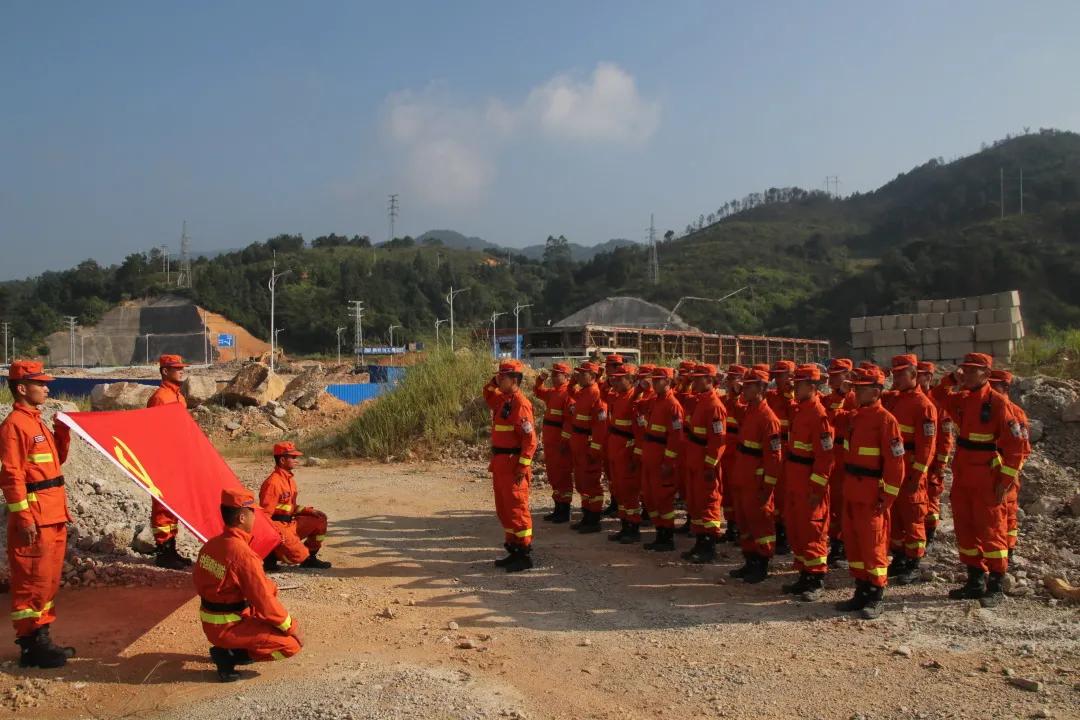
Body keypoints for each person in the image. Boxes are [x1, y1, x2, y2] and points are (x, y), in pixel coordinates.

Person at [1, 361, 76, 668]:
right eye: (40, 384)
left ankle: (42, 636)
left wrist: (62, 432)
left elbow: (56, 462)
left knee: (46, 581)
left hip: (53, 513)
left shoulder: (36, 421)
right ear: (22, 388)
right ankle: (31, 646)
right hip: (35, 517)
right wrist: (23, 517)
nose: (47, 388)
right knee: (31, 582)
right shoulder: (15, 426)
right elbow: (11, 475)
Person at [942, 354, 1027, 606]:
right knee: (965, 528)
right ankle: (975, 581)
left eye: (972, 371)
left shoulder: (1000, 404)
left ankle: (996, 585)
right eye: (964, 369)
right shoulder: (964, 399)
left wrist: (1005, 481)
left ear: (986, 374)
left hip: (987, 478)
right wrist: (950, 379)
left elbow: (1016, 447)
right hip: (963, 476)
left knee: (992, 530)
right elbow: (937, 396)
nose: (966, 374)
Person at [194, 488, 303, 682]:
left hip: (214, 622)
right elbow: (265, 602)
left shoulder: (211, 545)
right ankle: (231, 656)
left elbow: (203, 582)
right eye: (252, 512)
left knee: (267, 594)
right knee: (290, 646)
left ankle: (231, 649)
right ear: (242, 517)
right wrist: (291, 628)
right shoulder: (242, 554)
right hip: (229, 626)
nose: (255, 517)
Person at [835, 366, 904, 620]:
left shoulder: (886, 420)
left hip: (871, 491)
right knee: (853, 542)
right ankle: (861, 590)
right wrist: (838, 393)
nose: (856, 393)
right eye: (856, 389)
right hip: (852, 488)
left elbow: (896, 464)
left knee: (872, 543)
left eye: (861, 389)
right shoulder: (854, 416)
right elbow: (832, 417)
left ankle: (876, 594)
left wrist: (887, 498)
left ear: (876, 391)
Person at [780, 364, 835, 601]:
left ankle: (815, 579)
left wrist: (817, 487)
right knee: (797, 528)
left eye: (798, 384)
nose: (794, 388)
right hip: (795, 478)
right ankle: (804, 574)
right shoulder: (800, 409)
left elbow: (825, 457)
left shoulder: (819, 416)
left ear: (812, 387)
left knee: (813, 529)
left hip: (808, 482)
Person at [881, 355, 937, 586]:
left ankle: (914, 563)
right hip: (895, 467)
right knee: (895, 517)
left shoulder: (924, 406)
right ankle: (900, 558)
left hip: (912, 467)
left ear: (914, 375)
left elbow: (927, 445)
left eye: (901, 374)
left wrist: (918, 473)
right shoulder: (894, 399)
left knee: (913, 516)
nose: (896, 378)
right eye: (894, 374)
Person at [482, 360, 538, 571]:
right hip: (500, 464)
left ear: (514, 379)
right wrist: (493, 381)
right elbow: (487, 394)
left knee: (517, 508)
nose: (499, 379)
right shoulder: (502, 399)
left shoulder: (521, 404)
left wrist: (522, 468)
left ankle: (524, 554)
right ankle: (513, 550)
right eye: (499, 376)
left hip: (513, 465)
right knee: (504, 509)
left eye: (503, 377)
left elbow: (530, 441)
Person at [728, 367, 783, 584]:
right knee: (744, 521)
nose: (745, 389)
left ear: (761, 388)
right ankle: (749, 560)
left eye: (749, 386)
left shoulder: (769, 419)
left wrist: (768, 487)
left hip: (756, 481)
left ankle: (762, 563)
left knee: (760, 523)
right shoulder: (750, 410)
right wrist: (734, 391)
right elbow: (733, 409)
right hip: (743, 476)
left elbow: (774, 457)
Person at [146, 354, 193, 570]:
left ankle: (171, 549)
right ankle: (164, 551)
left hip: (178, 458)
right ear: (165, 371)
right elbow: (154, 433)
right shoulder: (160, 398)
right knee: (163, 506)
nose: (181, 370)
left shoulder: (179, 398)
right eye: (177, 368)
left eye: (182, 367)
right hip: (164, 460)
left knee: (174, 505)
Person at [680, 364, 727, 563]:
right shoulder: (701, 401)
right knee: (696, 502)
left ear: (709, 380)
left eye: (698, 379)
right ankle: (700, 543)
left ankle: (709, 546)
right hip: (694, 458)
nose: (694, 382)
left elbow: (718, 440)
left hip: (704, 462)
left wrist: (710, 465)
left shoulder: (715, 406)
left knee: (708, 502)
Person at [259, 442, 331, 572]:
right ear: (282, 460)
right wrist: (280, 536)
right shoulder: (273, 483)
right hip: (278, 527)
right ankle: (270, 557)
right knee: (299, 555)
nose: (296, 460)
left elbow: (290, 507)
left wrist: (309, 511)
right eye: (293, 457)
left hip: (290, 524)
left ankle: (310, 560)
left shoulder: (289, 480)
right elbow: (264, 518)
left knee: (320, 519)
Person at [638, 367, 685, 551]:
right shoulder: (654, 401)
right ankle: (659, 532)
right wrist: (639, 388)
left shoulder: (673, 405)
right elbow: (635, 406)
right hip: (650, 455)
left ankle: (667, 536)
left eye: (658, 380)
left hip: (661, 458)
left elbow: (676, 438)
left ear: (667, 381)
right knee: (650, 497)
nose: (654, 383)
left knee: (663, 498)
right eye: (653, 380)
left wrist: (669, 462)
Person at [989, 369, 1032, 559]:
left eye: (993, 386)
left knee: (1008, 512)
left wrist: (1010, 473)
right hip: (986, 471)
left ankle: (1009, 551)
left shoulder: (1016, 414)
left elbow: (1022, 449)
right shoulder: (985, 410)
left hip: (1008, 470)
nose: (988, 389)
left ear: (1005, 387)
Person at [565, 361, 607, 533]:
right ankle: (586, 515)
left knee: (591, 482)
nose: (579, 376)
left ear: (593, 376)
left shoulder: (598, 395)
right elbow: (570, 391)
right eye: (579, 373)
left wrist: (595, 448)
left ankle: (594, 519)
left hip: (588, 444)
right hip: (579, 442)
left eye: (583, 374)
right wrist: (573, 381)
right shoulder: (583, 392)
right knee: (582, 481)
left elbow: (600, 427)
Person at [916, 361, 954, 546]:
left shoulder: (938, 402)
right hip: (914, 458)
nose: (915, 377)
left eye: (919, 374)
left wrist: (940, 464)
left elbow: (946, 437)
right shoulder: (908, 399)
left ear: (928, 377)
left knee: (931, 497)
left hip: (932, 460)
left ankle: (929, 534)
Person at [605, 364, 642, 543]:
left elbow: (639, 432)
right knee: (619, 488)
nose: (616, 381)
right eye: (615, 378)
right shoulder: (617, 396)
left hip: (626, 448)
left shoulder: (635, 400)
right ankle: (625, 525)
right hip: (615, 446)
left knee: (629, 490)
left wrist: (636, 453)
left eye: (620, 379)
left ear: (631, 380)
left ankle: (633, 527)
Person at [824, 358, 856, 566]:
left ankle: (844, 544)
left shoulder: (855, 398)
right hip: (833, 453)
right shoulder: (832, 398)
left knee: (846, 502)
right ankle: (836, 542)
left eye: (837, 375)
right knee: (834, 501)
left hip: (848, 454)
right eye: (831, 375)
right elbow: (828, 417)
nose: (832, 379)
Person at [533, 363, 574, 523]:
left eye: (558, 374)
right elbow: (538, 391)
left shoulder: (568, 395)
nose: (554, 377)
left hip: (560, 443)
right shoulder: (553, 393)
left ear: (566, 377)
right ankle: (558, 507)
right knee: (553, 475)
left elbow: (569, 422)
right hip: (550, 442)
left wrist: (564, 441)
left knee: (562, 475)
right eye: (553, 374)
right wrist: (540, 380)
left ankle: (565, 510)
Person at [766, 360, 797, 556]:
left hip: (789, 451)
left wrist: (789, 393)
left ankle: (786, 534)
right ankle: (777, 530)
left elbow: (795, 410)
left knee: (786, 494)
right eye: (775, 375)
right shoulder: (771, 396)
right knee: (775, 493)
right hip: (774, 449)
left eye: (782, 375)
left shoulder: (796, 399)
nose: (778, 379)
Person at [719, 364, 746, 543]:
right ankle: (731, 526)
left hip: (738, 454)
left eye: (733, 378)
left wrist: (737, 396)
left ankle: (740, 528)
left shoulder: (745, 403)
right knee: (727, 493)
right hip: (725, 452)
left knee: (739, 493)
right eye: (728, 379)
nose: (729, 382)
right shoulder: (724, 400)